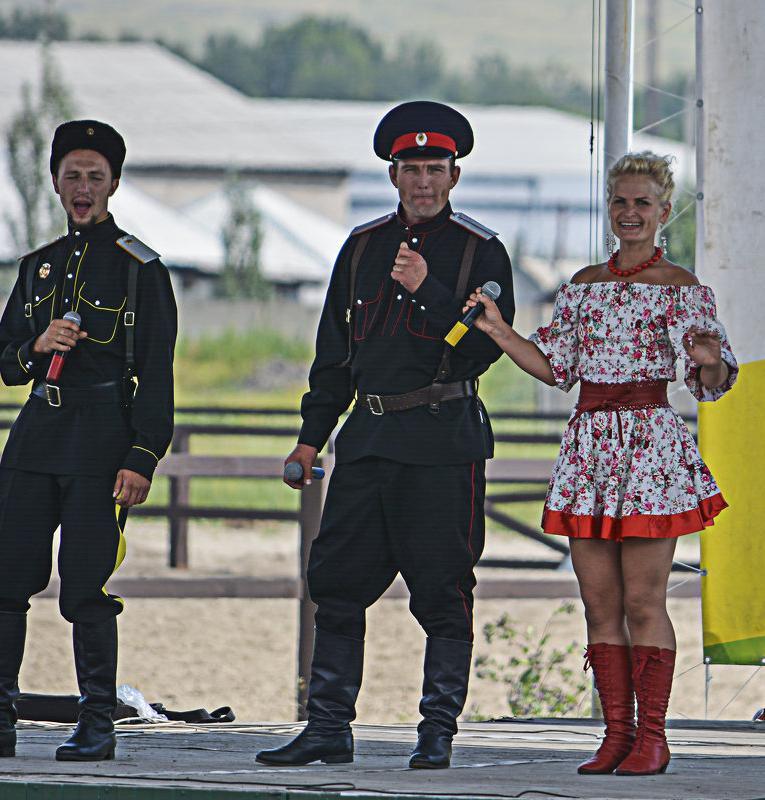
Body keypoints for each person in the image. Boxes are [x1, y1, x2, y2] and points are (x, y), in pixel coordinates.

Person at [255, 101, 515, 771]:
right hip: (367, 440)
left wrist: (428, 290)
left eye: (435, 168)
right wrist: (311, 439)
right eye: (410, 169)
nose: (423, 181)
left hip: (440, 441)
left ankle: (436, 732)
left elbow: (482, 349)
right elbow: (334, 356)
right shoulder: (362, 248)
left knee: (442, 592)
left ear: (454, 176)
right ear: (392, 175)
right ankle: (327, 727)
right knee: (335, 583)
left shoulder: (480, 252)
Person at [462, 151, 736, 776]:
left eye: (643, 202)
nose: (631, 212)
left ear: (665, 211)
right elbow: (555, 367)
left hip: (649, 448)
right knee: (598, 602)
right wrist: (503, 332)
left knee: (644, 600)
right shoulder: (582, 285)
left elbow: (711, 382)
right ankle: (616, 733)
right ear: (608, 208)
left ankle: (654, 736)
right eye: (620, 201)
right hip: (589, 447)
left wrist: (710, 357)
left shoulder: (683, 287)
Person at [0, 120, 177, 762]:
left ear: (113, 184)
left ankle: (97, 725)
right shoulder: (36, 267)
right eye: (72, 175)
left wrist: (143, 456)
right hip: (37, 435)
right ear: (54, 182)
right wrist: (35, 345)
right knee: (1, 578)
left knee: (85, 588)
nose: (82, 188)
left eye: (94, 177)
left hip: (103, 442)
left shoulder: (140, 270)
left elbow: (157, 373)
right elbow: (4, 359)